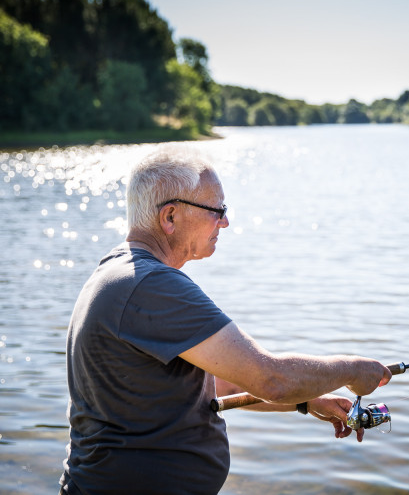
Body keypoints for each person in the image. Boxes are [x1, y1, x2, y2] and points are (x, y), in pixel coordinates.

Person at [59, 146, 391, 495]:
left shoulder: (122, 271)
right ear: (169, 217)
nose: (225, 221)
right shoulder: (151, 285)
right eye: (217, 210)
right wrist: (353, 371)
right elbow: (271, 378)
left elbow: (220, 384)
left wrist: (308, 400)